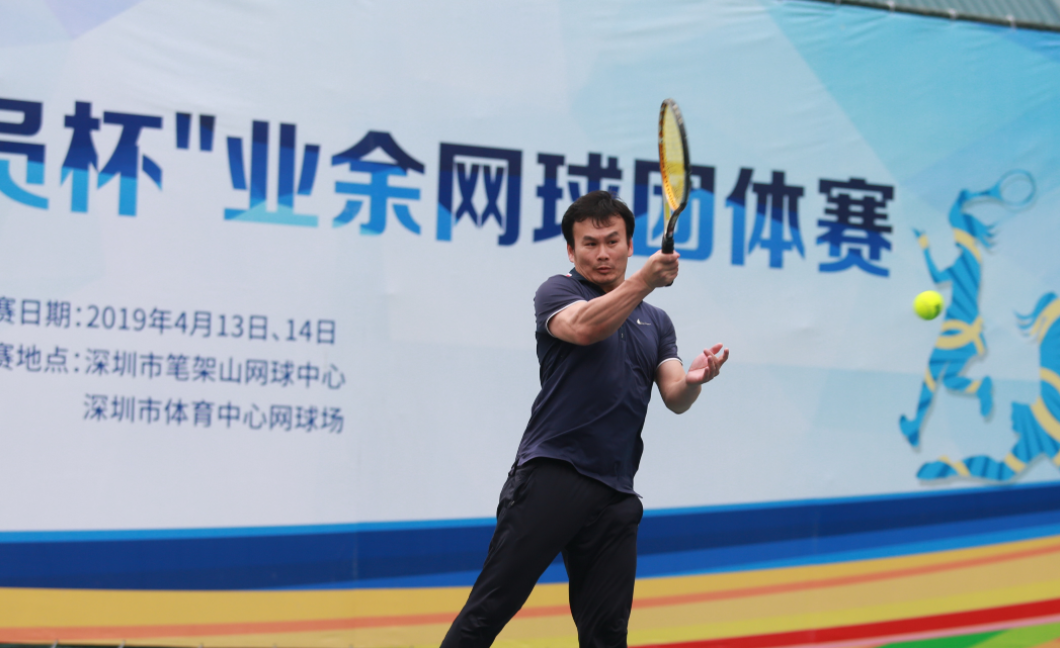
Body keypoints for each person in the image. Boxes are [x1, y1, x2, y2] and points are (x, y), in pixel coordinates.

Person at [440, 190, 729, 648]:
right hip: (553, 474)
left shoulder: (657, 322)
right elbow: (585, 327)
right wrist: (644, 281)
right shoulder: (558, 291)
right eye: (589, 244)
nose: (602, 253)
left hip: (616, 491)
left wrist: (696, 379)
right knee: (490, 609)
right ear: (571, 252)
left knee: (607, 635)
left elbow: (675, 395)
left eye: (612, 241)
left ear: (629, 245)